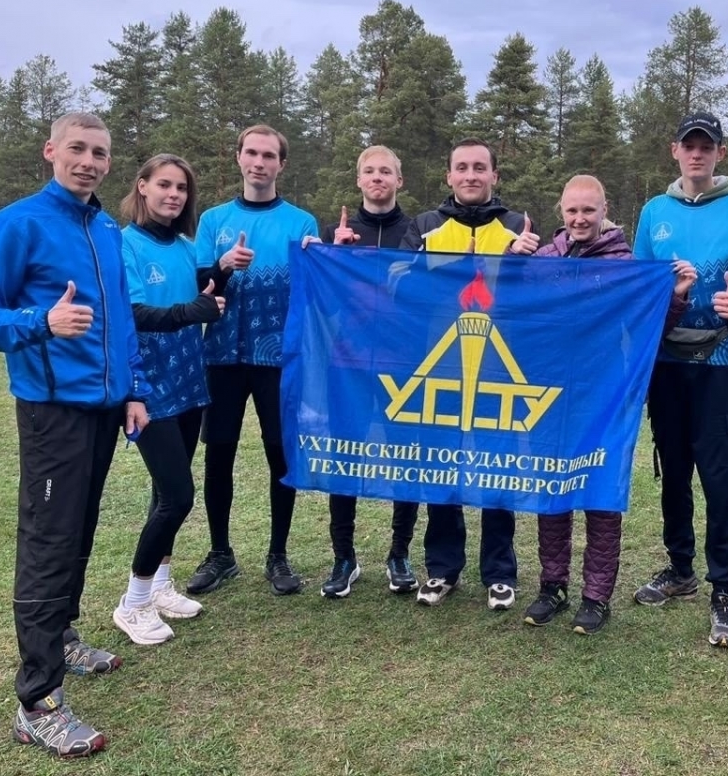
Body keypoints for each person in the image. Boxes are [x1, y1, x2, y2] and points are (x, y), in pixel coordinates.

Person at [0, 112, 150, 758]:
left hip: (104, 407)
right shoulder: (19, 222)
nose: (89, 162)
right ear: (51, 151)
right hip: (52, 410)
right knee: (48, 540)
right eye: (78, 149)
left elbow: (121, 320)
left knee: (80, 526)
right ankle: (37, 702)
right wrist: (42, 321)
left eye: (100, 153)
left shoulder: (106, 227)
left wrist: (134, 389)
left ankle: (62, 637)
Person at [513, 174, 696, 634]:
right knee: (552, 489)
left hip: (604, 395)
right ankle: (552, 586)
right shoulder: (544, 258)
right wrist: (513, 262)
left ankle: (596, 596)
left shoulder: (625, 265)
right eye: (572, 210)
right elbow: (510, 307)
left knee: (599, 492)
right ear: (561, 211)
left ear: (604, 210)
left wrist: (676, 296)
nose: (580, 219)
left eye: (588, 210)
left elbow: (648, 327)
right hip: (550, 394)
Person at [632, 112, 728, 648]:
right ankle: (680, 568)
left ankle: (724, 588)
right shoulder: (654, 211)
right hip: (666, 365)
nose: (696, 154)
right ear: (675, 151)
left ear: (720, 154)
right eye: (688, 145)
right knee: (674, 473)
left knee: (720, 480)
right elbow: (640, 285)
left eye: (705, 146)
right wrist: (669, 295)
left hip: (719, 362)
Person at [187, 125, 319, 597]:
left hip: (277, 357)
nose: (259, 162)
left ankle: (278, 554)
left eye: (268, 155)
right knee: (218, 452)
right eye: (252, 153)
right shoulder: (212, 220)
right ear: (239, 158)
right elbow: (198, 287)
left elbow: (314, 287)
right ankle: (220, 553)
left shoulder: (301, 222)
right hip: (222, 356)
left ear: (282, 164)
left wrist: (321, 257)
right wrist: (223, 266)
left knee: (279, 454)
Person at [399, 138, 530, 610]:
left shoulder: (516, 226)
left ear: (494, 175)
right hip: (442, 362)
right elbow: (401, 287)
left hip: (498, 363)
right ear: (449, 176)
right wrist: (453, 265)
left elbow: (536, 296)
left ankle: (499, 571)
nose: (471, 175)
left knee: (498, 467)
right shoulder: (425, 226)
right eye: (462, 167)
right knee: (441, 467)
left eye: (479, 167)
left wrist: (525, 262)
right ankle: (442, 567)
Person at [112, 154, 226, 644]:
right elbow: (133, 313)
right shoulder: (124, 244)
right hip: (147, 387)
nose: (174, 195)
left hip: (188, 383)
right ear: (142, 187)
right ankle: (133, 601)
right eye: (164, 185)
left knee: (165, 493)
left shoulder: (184, 246)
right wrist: (192, 311)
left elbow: (203, 296)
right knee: (179, 496)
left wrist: (222, 278)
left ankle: (159, 584)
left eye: (181, 188)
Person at [318, 145, 420, 599]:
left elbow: (428, 295)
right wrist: (329, 256)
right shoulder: (337, 232)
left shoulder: (417, 232)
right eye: (369, 171)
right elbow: (323, 300)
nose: (377, 178)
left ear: (399, 180)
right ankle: (344, 557)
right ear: (359, 179)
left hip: (404, 362)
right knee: (345, 455)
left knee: (407, 458)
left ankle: (399, 553)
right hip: (349, 362)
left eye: (386, 172)